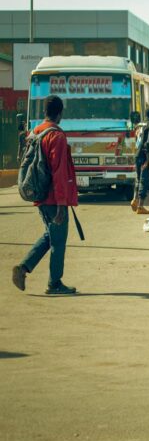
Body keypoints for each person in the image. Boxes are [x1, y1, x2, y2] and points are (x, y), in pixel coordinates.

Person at [11, 95, 79, 295]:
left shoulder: (36, 132)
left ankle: (23, 269)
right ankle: (54, 283)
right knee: (58, 240)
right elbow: (58, 172)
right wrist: (61, 203)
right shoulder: (56, 136)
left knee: (51, 235)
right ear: (60, 113)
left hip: (38, 194)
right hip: (52, 197)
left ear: (44, 112)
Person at [131, 109, 149, 215]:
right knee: (144, 180)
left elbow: (136, 140)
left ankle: (134, 200)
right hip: (145, 155)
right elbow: (147, 144)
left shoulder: (139, 125)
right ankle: (140, 206)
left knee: (138, 179)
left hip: (137, 154)